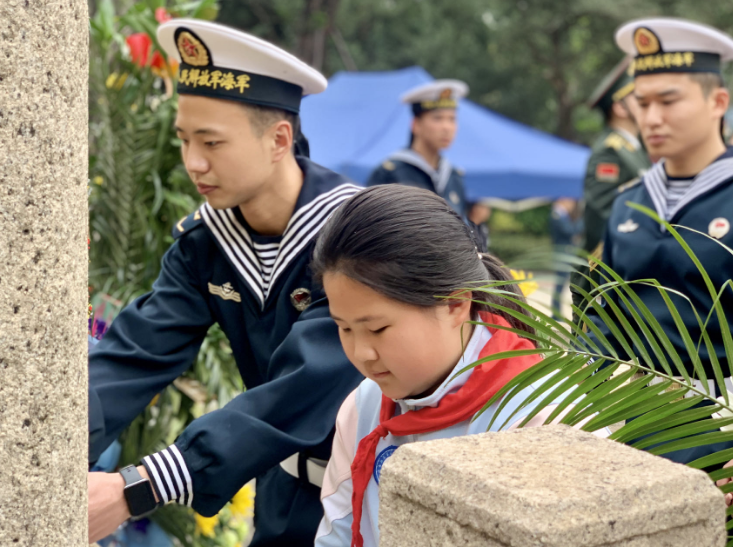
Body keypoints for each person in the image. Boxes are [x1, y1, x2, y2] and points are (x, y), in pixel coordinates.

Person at [87, 19, 364, 546]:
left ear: (279, 138)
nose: (193, 162)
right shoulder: (206, 243)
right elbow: (135, 354)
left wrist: (137, 489)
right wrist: (39, 443)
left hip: (364, 494)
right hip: (281, 490)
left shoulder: (355, 237)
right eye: (185, 139)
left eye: (212, 142)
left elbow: (298, 392)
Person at [310, 186, 609, 547]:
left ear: (455, 305)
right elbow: (338, 532)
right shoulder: (363, 406)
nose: (362, 353)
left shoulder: (541, 418)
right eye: (343, 328)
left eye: (377, 329)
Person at [586, 18, 733, 466]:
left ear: (718, 102)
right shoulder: (629, 203)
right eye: (642, 103)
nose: (651, 118)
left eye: (668, 101)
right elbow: (600, 314)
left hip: (722, 423)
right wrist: (598, 398)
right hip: (633, 419)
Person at [366, 80, 469, 217]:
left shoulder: (454, 176)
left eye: (452, 119)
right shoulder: (391, 173)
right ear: (416, 125)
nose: (447, 127)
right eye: (438, 118)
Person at [583, 56, 651, 256]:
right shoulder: (609, 151)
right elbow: (609, 213)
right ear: (620, 108)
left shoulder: (633, 148)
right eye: (639, 98)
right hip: (611, 268)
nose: (648, 103)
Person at [549, 198, 583, 319]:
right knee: (559, 284)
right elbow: (569, 231)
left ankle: (557, 313)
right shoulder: (557, 213)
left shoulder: (561, 215)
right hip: (562, 255)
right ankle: (556, 313)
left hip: (566, 254)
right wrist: (581, 221)